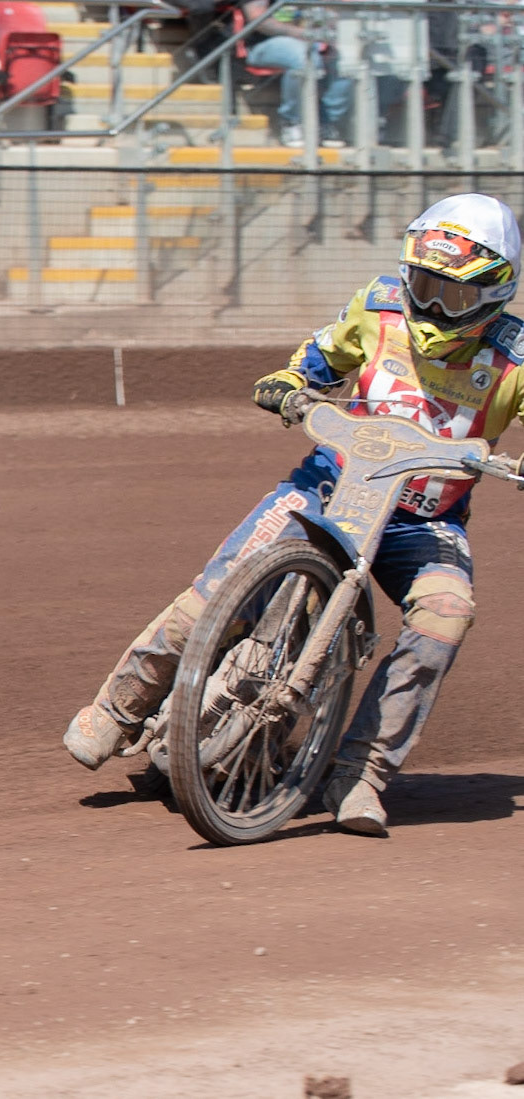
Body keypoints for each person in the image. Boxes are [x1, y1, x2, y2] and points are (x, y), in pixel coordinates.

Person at [64, 192, 524, 836]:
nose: (431, 303)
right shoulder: (378, 306)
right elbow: (315, 361)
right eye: (424, 282)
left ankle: (360, 773)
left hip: (423, 524)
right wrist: (287, 384)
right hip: (328, 488)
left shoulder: (514, 360)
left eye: (450, 294)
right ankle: (119, 707)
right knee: (213, 596)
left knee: (445, 617)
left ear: (492, 291)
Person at [239, 0, 352, 149]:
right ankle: (292, 122)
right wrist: (305, 34)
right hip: (265, 44)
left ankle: (327, 122)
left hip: (316, 40)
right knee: (303, 58)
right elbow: (258, 19)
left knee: (349, 60)